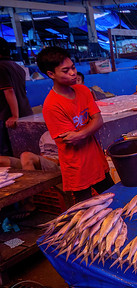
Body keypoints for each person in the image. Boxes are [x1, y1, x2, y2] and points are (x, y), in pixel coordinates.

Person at [36, 46, 114, 202]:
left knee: (114, 200)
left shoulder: (83, 91)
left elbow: (99, 120)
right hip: (77, 170)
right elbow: (71, 140)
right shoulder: (52, 106)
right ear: (51, 74)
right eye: (65, 71)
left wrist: (81, 133)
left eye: (73, 67)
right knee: (85, 212)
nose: (72, 73)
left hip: (97, 163)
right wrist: (88, 128)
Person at [0, 37, 33, 156]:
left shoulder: (1, 68)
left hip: (8, 119)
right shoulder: (17, 67)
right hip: (26, 114)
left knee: (6, 155)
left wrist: (14, 115)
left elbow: (9, 91)